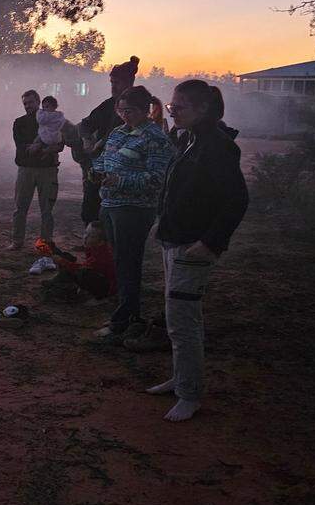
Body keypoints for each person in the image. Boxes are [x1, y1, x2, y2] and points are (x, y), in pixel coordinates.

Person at [146, 80, 249, 422]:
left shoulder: (218, 147)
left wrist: (211, 242)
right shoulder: (189, 140)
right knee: (177, 317)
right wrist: (162, 221)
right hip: (175, 240)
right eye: (172, 106)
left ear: (202, 109)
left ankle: (190, 394)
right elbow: (175, 189)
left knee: (182, 321)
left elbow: (237, 200)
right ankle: (182, 378)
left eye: (180, 107)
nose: (173, 112)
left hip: (193, 247)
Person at [91, 85, 174, 343]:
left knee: (128, 263)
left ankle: (125, 320)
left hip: (134, 209)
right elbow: (104, 158)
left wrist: (119, 180)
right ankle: (127, 314)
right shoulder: (118, 132)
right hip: (110, 204)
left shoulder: (155, 138)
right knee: (120, 261)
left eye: (130, 111)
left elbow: (156, 179)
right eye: (121, 110)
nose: (124, 115)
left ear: (145, 110)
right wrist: (96, 171)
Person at [75, 56, 140, 226]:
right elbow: (85, 125)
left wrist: (104, 143)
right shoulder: (109, 105)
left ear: (129, 82)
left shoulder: (139, 109)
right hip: (100, 170)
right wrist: (87, 140)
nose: (113, 87)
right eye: (111, 82)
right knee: (91, 213)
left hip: (124, 175)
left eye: (117, 83)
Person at [10, 90, 60, 250]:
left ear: (38, 102)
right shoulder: (19, 122)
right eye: (25, 103)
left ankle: (46, 242)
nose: (27, 106)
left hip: (47, 170)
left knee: (47, 209)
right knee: (20, 207)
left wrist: (38, 147)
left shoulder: (50, 120)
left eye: (30, 102)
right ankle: (17, 240)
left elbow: (59, 144)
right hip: (26, 169)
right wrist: (44, 147)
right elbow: (21, 147)